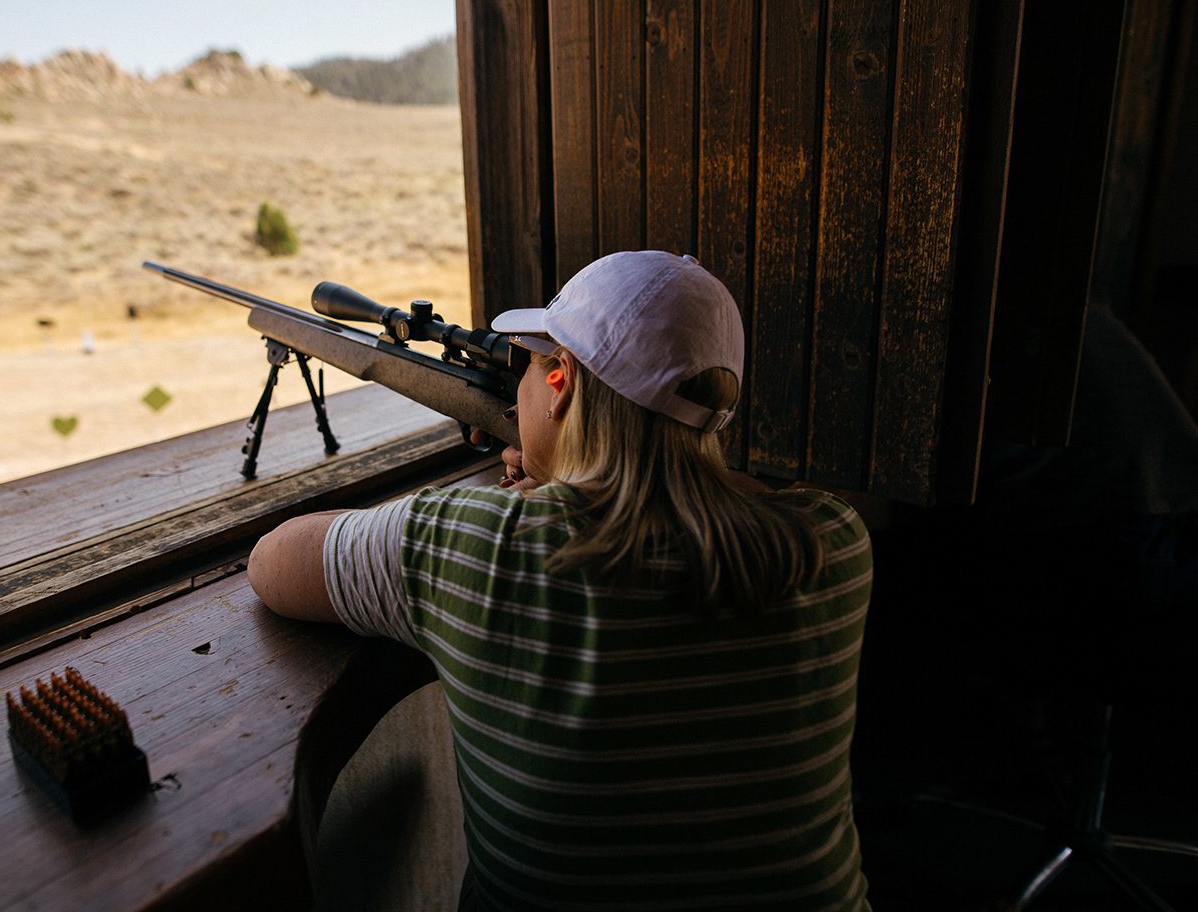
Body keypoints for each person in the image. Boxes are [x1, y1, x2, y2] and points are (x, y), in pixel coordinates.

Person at [248, 251, 874, 911]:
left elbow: (273, 561)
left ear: (562, 381)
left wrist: (528, 506)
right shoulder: (832, 540)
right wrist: (561, 487)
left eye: (527, 363)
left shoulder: (481, 545)